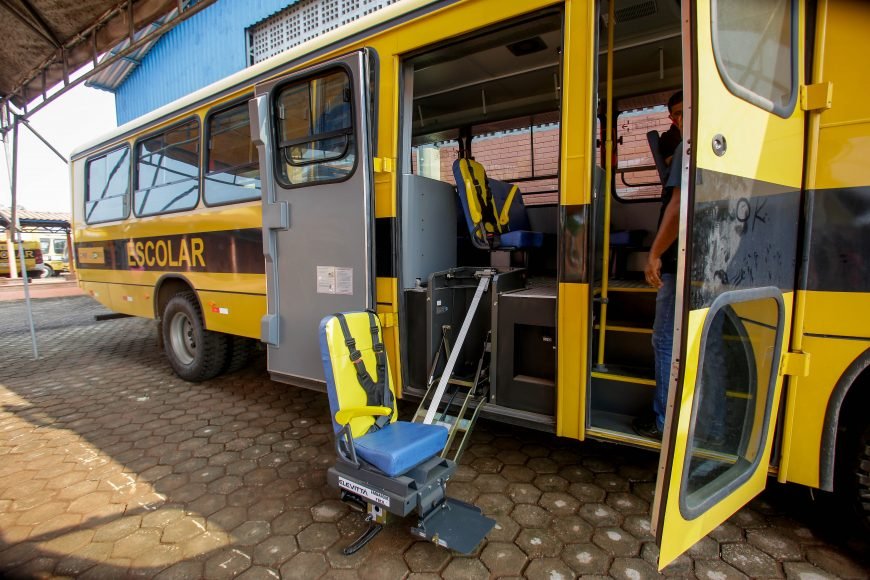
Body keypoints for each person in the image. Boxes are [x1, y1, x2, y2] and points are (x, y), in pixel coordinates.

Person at [632, 91, 683, 440]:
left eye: (683, 112)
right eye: (674, 115)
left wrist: (654, 253)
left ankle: (664, 421)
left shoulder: (686, 149)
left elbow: (677, 207)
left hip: (678, 262)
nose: (678, 120)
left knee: (665, 339)